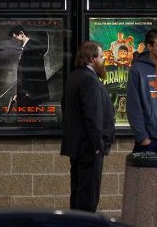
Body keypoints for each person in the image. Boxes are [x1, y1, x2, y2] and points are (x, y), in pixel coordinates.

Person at [60, 41, 115, 212]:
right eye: (101, 57)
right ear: (92, 59)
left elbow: (65, 106)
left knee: (78, 192)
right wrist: (97, 145)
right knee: (88, 197)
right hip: (89, 147)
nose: (104, 61)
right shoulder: (90, 80)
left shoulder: (74, 76)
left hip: (77, 146)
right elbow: (93, 115)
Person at [7, 25, 49, 108]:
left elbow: (37, 71)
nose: (15, 41)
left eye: (16, 38)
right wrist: (19, 93)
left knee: (31, 118)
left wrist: (28, 92)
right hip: (25, 93)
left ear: (21, 34)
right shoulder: (25, 47)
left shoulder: (34, 46)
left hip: (31, 94)